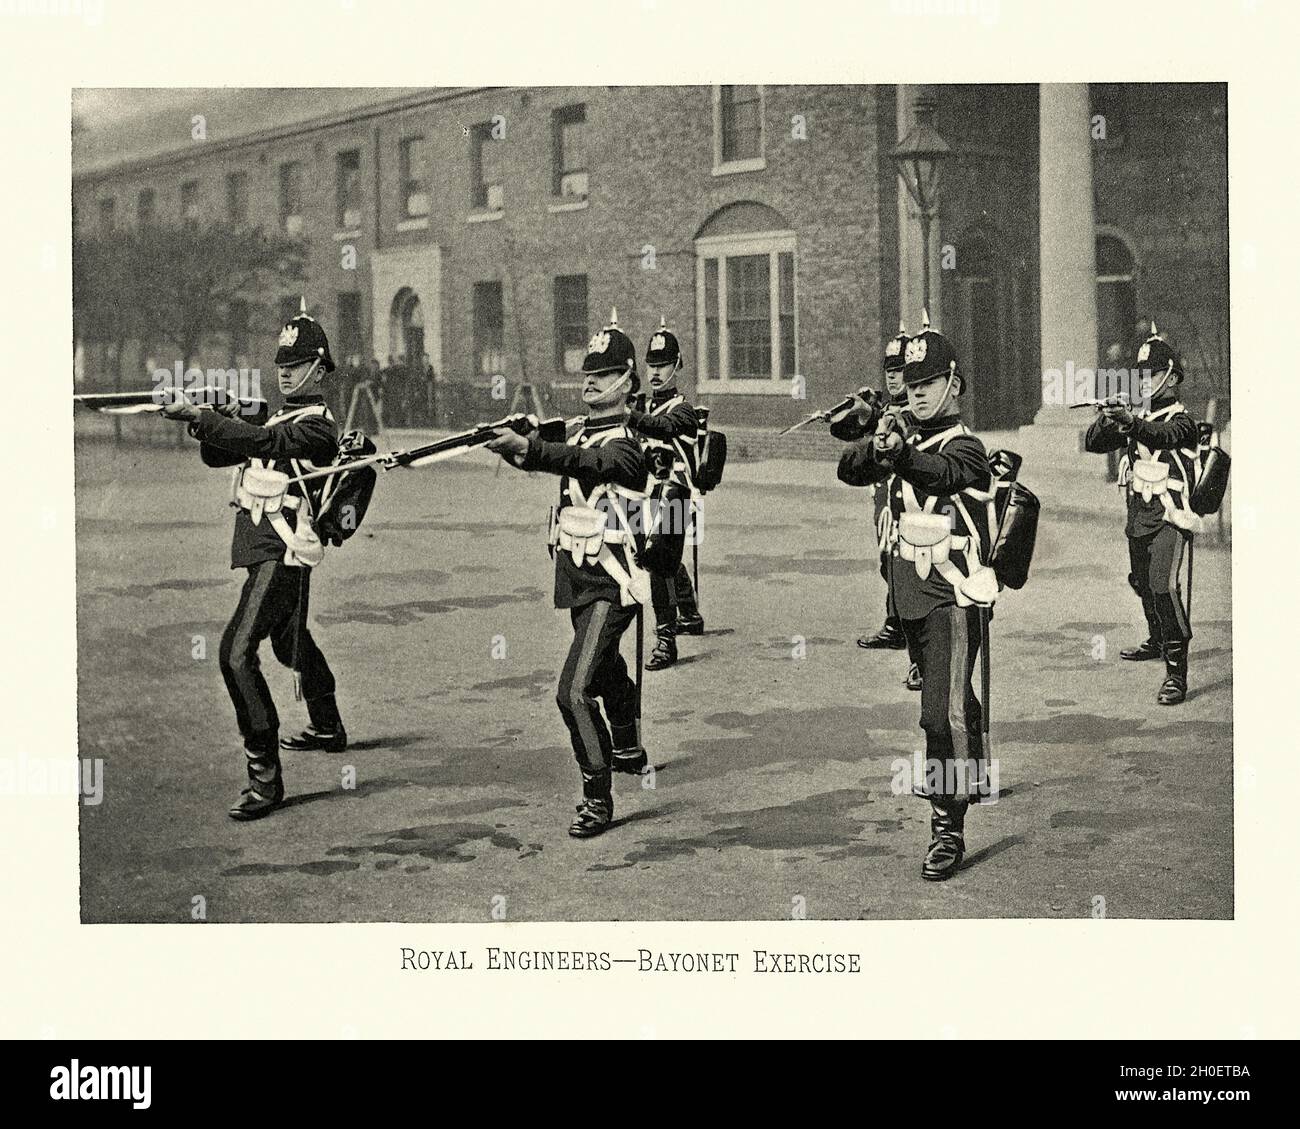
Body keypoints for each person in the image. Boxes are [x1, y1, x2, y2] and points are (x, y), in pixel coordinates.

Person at [160, 308, 347, 821]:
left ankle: (264, 778)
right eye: (282, 363)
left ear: (321, 368)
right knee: (289, 642)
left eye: (299, 363)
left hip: (282, 555)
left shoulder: (317, 429)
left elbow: (266, 444)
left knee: (236, 653)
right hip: (261, 553)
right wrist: (214, 415)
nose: (286, 371)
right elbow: (219, 455)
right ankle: (328, 724)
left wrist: (204, 418)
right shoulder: (274, 416)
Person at [837, 321, 995, 881]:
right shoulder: (903, 436)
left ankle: (946, 828)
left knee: (939, 715)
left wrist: (900, 453)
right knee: (952, 700)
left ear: (954, 383)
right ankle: (974, 768)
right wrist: (872, 438)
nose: (919, 391)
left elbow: (946, 474)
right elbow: (848, 470)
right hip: (911, 600)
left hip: (953, 597)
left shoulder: (966, 447)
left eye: (930, 382)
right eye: (912, 381)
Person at [486, 312, 651, 838]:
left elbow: (591, 464)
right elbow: (560, 454)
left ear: (627, 380)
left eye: (603, 374)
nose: (590, 381)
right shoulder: (580, 432)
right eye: (587, 372)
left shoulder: (626, 444)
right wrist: (517, 446)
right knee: (603, 672)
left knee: (573, 692)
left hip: (613, 583)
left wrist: (531, 449)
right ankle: (627, 741)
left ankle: (596, 796)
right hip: (577, 581)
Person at [1084, 326, 1199, 705]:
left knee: (1163, 586)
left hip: (1170, 516)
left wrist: (1130, 421)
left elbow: (1161, 436)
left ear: (1172, 377)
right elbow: (1093, 443)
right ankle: (1157, 638)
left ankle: (1176, 673)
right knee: (1142, 581)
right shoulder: (1137, 417)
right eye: (1142, 375)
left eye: (1152, 374)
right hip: (1139, 515)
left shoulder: (1182, 422)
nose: (1146, 381)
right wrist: (1107, 416)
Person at [832, 324, 923, 692]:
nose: (893, 374)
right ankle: (895, 623)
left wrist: (874, 417)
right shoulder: (884, 406)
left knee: (912, 571)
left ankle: (919, 657)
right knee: (889, 563)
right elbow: (847, 443)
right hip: (886, 498)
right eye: (889, 368)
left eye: (900, 369)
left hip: (914, 502)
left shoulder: (916, 411)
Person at [625, 317, 704, 671]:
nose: (656, 372)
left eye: (664, 365)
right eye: (652, 365)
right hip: (645, 492)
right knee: (655, 552)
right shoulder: (644, 406)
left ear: (677, 366)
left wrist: (630, 415)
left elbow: (663, 427)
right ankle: (688, 611)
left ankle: (665, 639)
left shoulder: (683, 410)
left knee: (658, 558)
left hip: (675, 492)